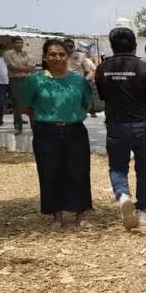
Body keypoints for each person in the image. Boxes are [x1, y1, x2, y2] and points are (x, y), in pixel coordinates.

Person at [96, 26, 146, 230]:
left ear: (112, 46)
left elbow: (103, 96)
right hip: (145, 125)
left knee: (117, 167)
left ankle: (123, 195)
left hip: (117, 126)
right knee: (144, 169)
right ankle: (141, 211)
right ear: (135, 45)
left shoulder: (102, 69)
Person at [17, 39, 94, 229]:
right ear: (45, 57)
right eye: (52, 54)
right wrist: (45, 117)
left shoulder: (78, 79)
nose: (57, 58)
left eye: (61, 54)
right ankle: (56, 215)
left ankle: (81, 213)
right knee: (49, 172)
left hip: (74, 130)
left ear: (67, 56)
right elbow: (25, 106)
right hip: (46, 132)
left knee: (79, 171)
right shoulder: (35, 80)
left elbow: (87, 103)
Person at [3, 35, 33, 134]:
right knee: (16, 104)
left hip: (26, 80)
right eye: (17, 43)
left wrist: (21, 68)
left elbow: (32, 66)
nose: (20, 45)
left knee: (30, 103)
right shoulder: (8, 53)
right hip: (15, 80)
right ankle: (18, 127)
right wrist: (25, 68)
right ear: (13, 43)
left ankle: (34, 126)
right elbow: (12, 67)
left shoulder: (25, 54)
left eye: (21, 43)